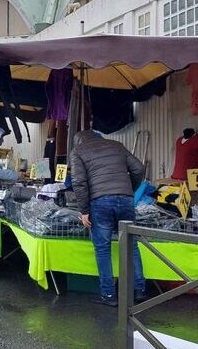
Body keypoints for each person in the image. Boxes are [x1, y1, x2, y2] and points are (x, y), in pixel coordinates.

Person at [70, 130, 147, 307]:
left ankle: (109, 295)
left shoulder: (78, 152)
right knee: (131, 245)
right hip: (126, 199)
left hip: (100, 202)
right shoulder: (116, 145)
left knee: (103, 249)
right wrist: (129, 190)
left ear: (78, 141)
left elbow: (78, 182)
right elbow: (139, 168)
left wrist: (84, 210)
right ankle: (139, 290)